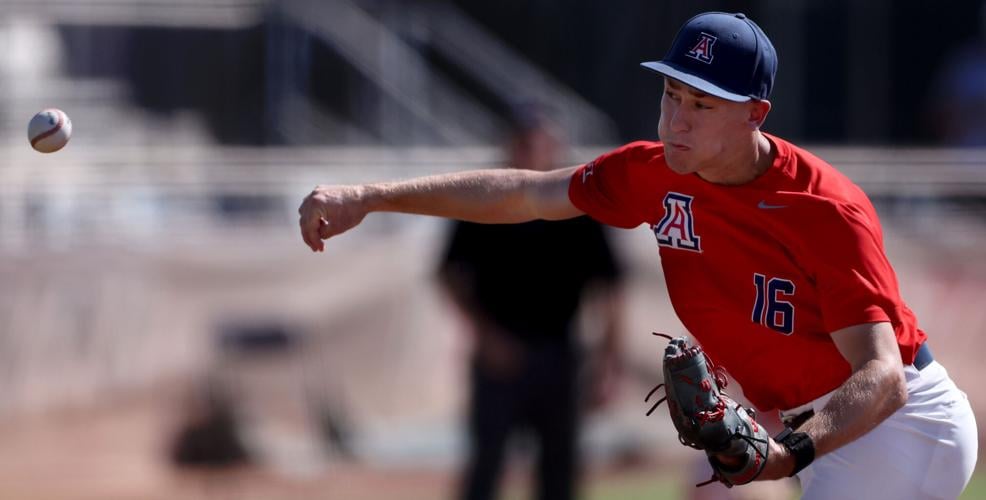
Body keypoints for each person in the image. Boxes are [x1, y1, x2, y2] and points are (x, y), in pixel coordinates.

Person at [298, 12, 978, 499]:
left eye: (702, 104)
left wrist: (787, 452)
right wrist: (372, 195)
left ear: (755, 113)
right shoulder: (651, 173)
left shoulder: (823, 207)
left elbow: (883, 376)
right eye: (671, 94)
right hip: (808, 420)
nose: (676, 119)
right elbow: (528, 193)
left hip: (900, 425)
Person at [437, 104, 624, 500]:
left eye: (541, 142)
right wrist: (484, 334)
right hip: (499, 355)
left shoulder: (578, 202)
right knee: (485, 467)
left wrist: (608, 363)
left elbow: (609, 287)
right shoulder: (485, 196)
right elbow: (449, 273)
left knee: (560, 472)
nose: (532, 151)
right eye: (524, 142)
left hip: (559, 354)